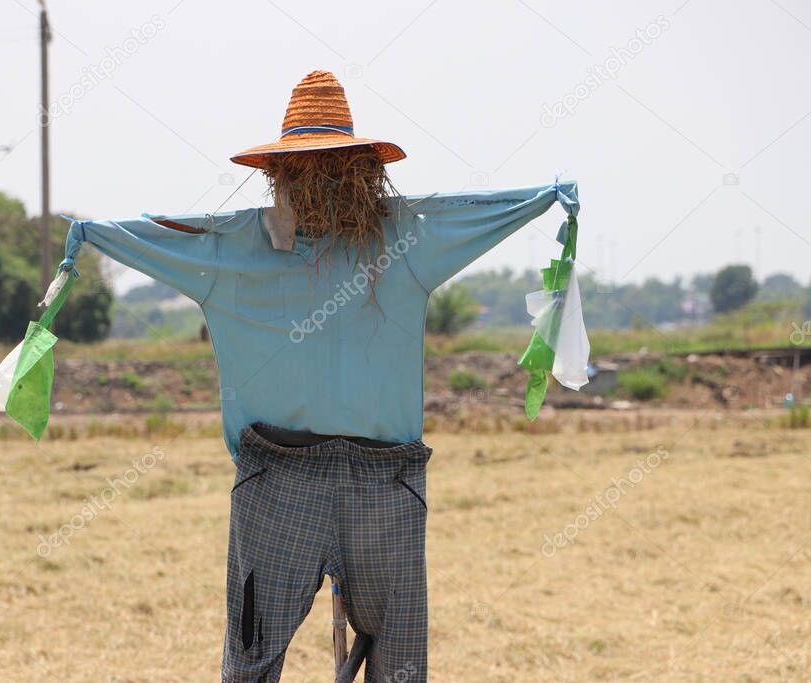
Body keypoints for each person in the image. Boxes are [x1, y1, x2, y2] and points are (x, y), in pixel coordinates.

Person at [59, 70, 579, 683]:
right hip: (282, 480)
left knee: (401, 667)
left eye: (337, 167)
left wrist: (546, 198)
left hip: (383, 482)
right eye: (309, 168)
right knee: (253, 661)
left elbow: (480, 210)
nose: (324, 182)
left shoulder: (402, 237)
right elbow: (151, 235)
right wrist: (91, 236)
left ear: (362, 172)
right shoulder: (232, 249)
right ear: (281, 175)